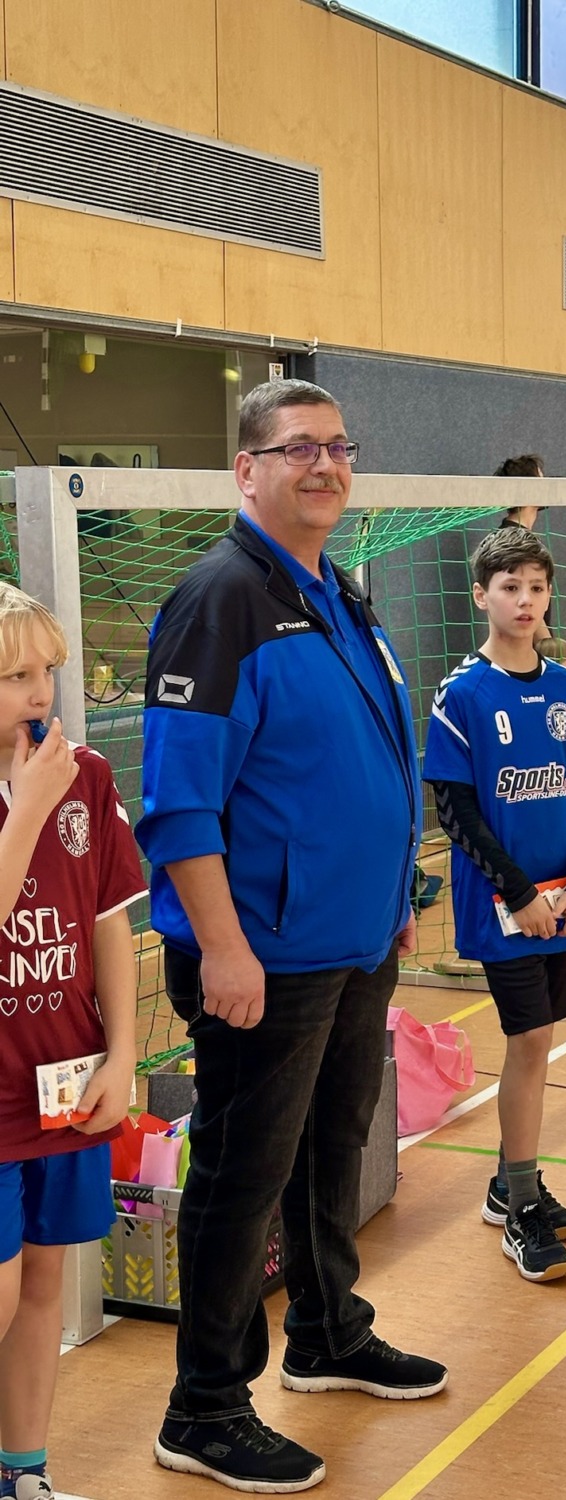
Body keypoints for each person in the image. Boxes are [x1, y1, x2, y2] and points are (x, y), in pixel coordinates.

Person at [137, 379, 447, 1494]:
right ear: (247, 470)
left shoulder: (332, 589)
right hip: (262, 950)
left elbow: (366, 755)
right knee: (241, 1170)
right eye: (297, 448)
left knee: (332, 1149)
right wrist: (222, 948)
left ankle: (326, 1330)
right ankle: (204, 1405)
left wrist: (394, 890)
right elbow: (177, 802)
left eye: (337, 446)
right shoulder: (220, 598)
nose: (324, 465)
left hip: (353, 937)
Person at [423, 528, 566, 1281]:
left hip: (562, 906)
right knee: (529, 1040)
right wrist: (520, 892)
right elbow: (455, 810)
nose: (524, 600)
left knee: (540, 1040)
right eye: (509, 587)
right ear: (481, 596)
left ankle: (511, 1184)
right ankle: (519, 1206)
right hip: (506, 907)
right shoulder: (462, 695)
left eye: (535, 587)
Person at [0, 583, 145, 1500]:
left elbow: (108, 928)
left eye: (46, 670)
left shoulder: (84, 774)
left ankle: (24, 1473)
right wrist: (26, 807)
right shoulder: (46, 786)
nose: (39, 690)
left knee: (43, 1292)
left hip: (66, 1083)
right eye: (15, 675)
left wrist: (125, 1052)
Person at [494, 454, 552, 644]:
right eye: (541, 479)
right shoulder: (515, 541)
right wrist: (551, 650)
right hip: (525, 655)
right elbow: (525, 601)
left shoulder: (511, 535)